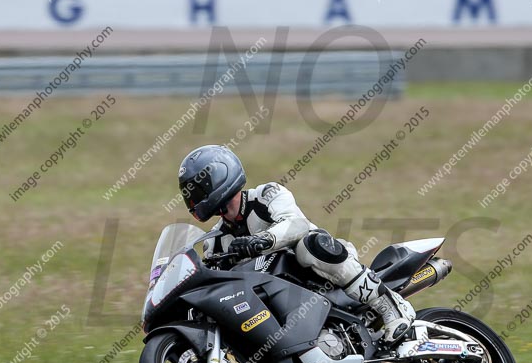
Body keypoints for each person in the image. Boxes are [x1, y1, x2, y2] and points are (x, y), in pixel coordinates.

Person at [178, 145, 415, 344]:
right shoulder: (215, 240)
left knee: (311, 244)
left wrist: (261, 241)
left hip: (318, 274)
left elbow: (296, 224)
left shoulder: (267, 195)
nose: (193, 198)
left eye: (197, 189)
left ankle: (392, 307)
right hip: (277, 301)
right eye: (189, 192)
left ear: (218, 178)